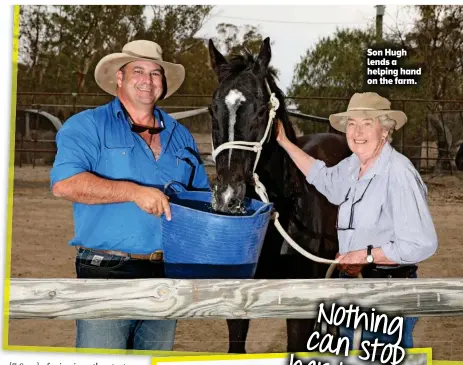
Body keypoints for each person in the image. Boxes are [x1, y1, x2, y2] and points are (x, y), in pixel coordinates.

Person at [50, 40, 210, 350]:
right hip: (107, 269)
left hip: (167, 273)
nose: (148, 81)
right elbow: (64, 184)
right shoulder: (88, 126)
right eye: (138, 71)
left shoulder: (181, 134)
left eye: (155, 73)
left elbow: (200, 198)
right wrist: (133, 192)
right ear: (119, 78)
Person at [275, 92, 438, 348]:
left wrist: (366, 256)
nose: (357, 131)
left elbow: (421, 243)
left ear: (385, 130)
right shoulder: (354, 165)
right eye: (351, 123)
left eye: (366, 123)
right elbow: (324, 179)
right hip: (353, 287)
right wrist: (284, 141)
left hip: (387, 293)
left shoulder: (398, 172)